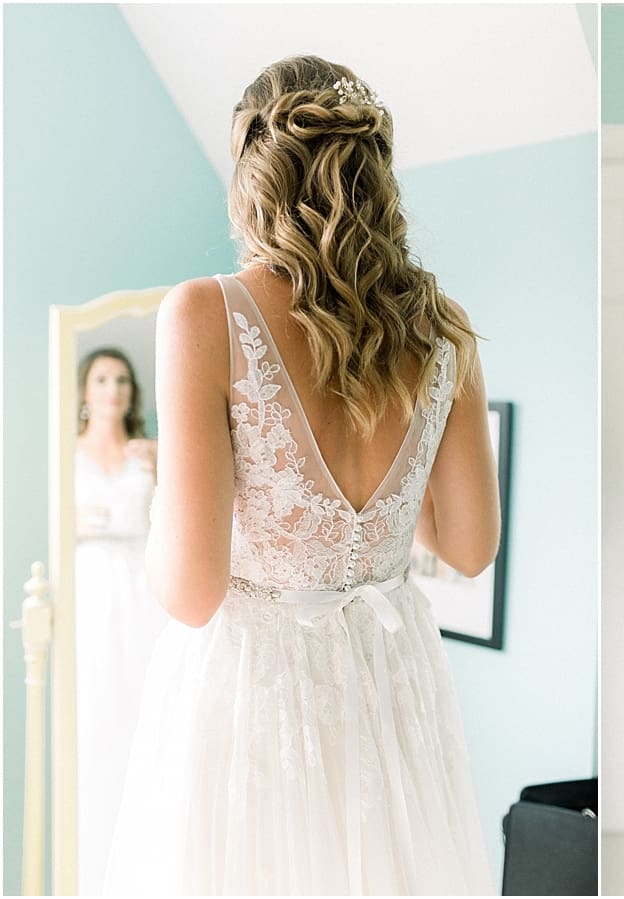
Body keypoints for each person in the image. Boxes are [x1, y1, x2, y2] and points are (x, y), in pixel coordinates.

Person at [103, 55, 500, 895]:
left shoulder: (205, 314)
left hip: (255, 692)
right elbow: (468, 547)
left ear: (252, 173)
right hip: (391, 687)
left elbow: (191, 592)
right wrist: (390, 492)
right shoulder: (442, 328)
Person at [74, 347, 167, 894]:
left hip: (141, 585)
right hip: (91, 587)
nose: (114, 389)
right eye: (103, 379)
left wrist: (161, 470)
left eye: (123, 380)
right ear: (85, 391)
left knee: (142, 705)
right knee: (96, 708)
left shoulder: (147, 453)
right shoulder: (68, 455)